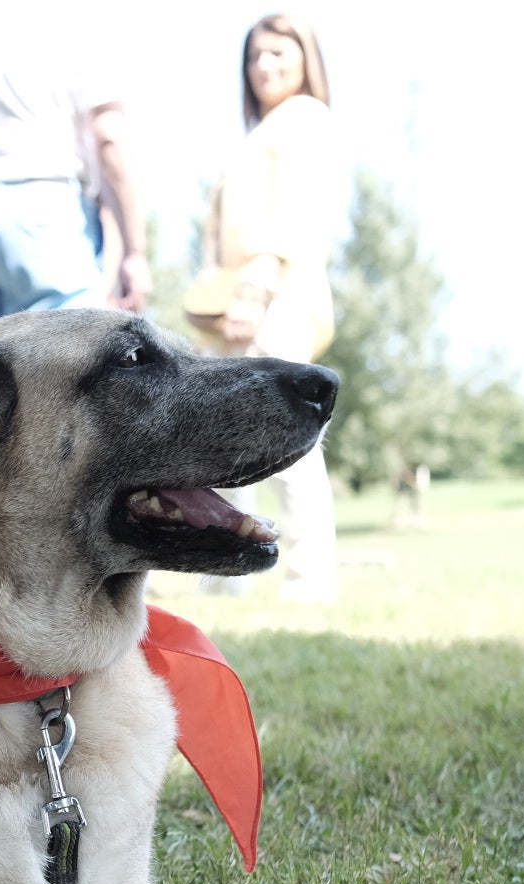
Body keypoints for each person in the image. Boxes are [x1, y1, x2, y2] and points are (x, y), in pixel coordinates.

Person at [190, 13, 343, 602]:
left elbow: (297, 216)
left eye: (279, 52)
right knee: (226, 438)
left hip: (274, 296)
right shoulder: (259, 134)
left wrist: (255, 288)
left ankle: (310, 579)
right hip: (236, 301)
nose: (265, 65)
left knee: (289, 438)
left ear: (306, 58)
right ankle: (226, 570)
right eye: (255, 55)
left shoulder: (305, 119)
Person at [0, 32, 151, 331]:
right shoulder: (74, 35)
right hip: (39, 201)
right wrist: (135, 253)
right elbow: (108, 138)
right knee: (67, 345)